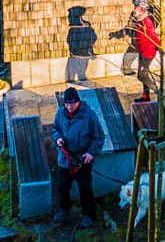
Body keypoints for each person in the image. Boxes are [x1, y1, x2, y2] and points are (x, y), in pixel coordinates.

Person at [51, 86, 105, 228]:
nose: (69, 106)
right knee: (62, 186)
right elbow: (55, 128)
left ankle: (89, 215)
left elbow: (99, 137)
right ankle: (64, 208)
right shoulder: (60, 113)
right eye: (67, 103)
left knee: (85, 188)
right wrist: (58, 138)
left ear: (78, 102)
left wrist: (91, 153)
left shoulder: (89, 115)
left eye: (72, 103)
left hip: (82, 159)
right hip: (65, 158)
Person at [128, 0, 161, 102]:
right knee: (144, 75)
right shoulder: (140, 21)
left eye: (136, 8)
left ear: (142, 9)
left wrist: (160, 48)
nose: (134, 10)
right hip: (142, 51)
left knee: (142, 76)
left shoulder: (147, 22)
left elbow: (154, 37)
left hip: (148, 53)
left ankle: (159, 92)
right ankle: (146, 96)